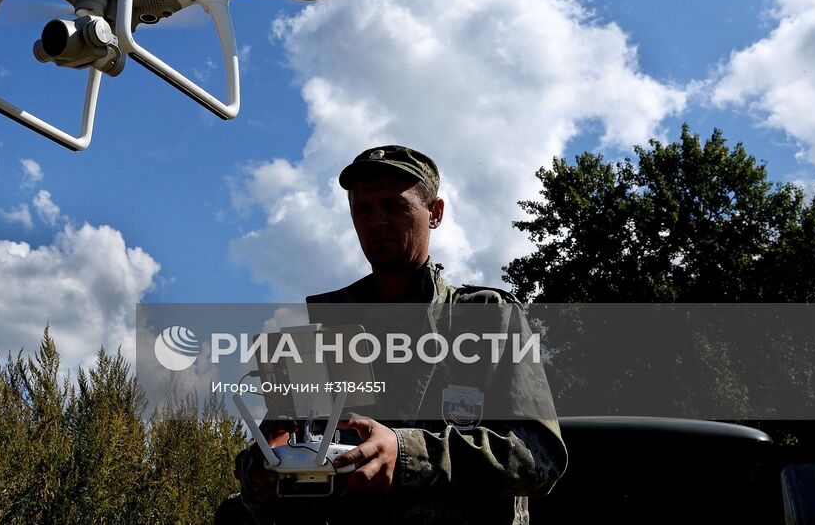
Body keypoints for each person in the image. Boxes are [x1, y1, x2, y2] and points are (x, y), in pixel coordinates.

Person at [215, 145, 567, 525]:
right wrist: (263, 469)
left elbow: (538, 456)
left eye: (393, 206)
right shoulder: (325, 335)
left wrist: (404, 454)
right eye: (363, 210)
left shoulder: (486, 318)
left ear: (434, 213)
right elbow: (272, 453)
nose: (376, 220)